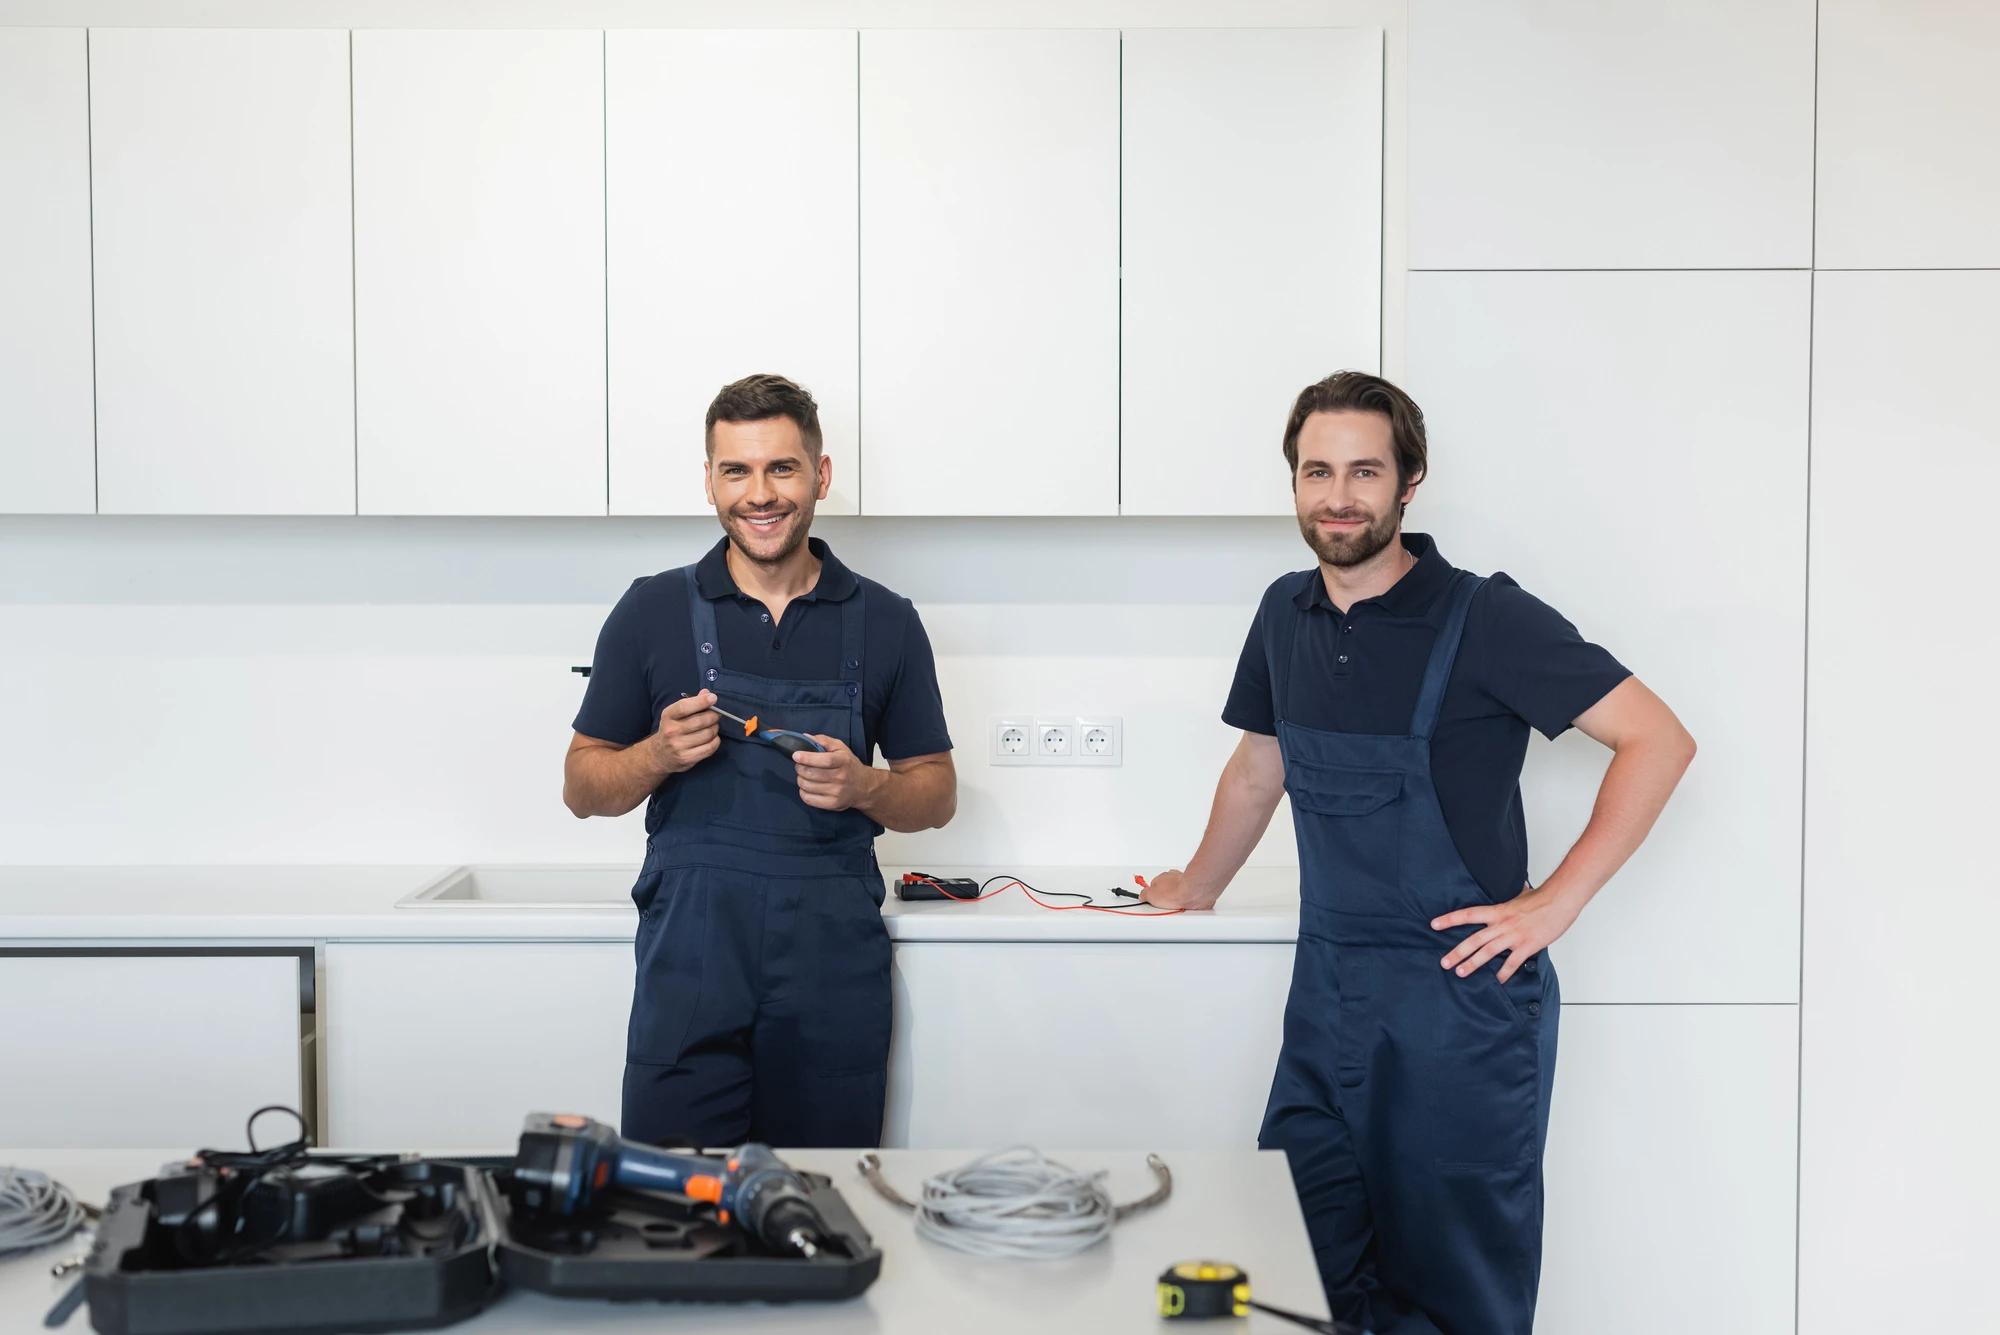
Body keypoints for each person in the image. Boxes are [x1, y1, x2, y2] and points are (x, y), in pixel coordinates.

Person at [1143, 371, 1695, 1334]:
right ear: (1295, 483)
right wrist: (1194, 885)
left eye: (1365, 470)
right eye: (1318, 471)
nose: (1339, 495)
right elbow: (1256, 770)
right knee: (1290, 1276)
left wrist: (1555, 902)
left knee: (1457, 1297)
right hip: (1326, 1005)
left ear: (1410, 483)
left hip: (1460, 1015)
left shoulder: (1486, 617)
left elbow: (1658, 738)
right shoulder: (1284, 613)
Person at [563, 373, 956, 1149]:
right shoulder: (649, 611)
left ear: (821, 475)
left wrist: (868, 785)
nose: (760, 493)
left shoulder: (888, 621)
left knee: (822, 1205)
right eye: (736, 470)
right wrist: (655, 753)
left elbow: (935, 792)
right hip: (692, 972)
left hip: (829, 975)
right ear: (709, 480)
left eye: (781, 467)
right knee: (675, 1213)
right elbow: (582, 785)